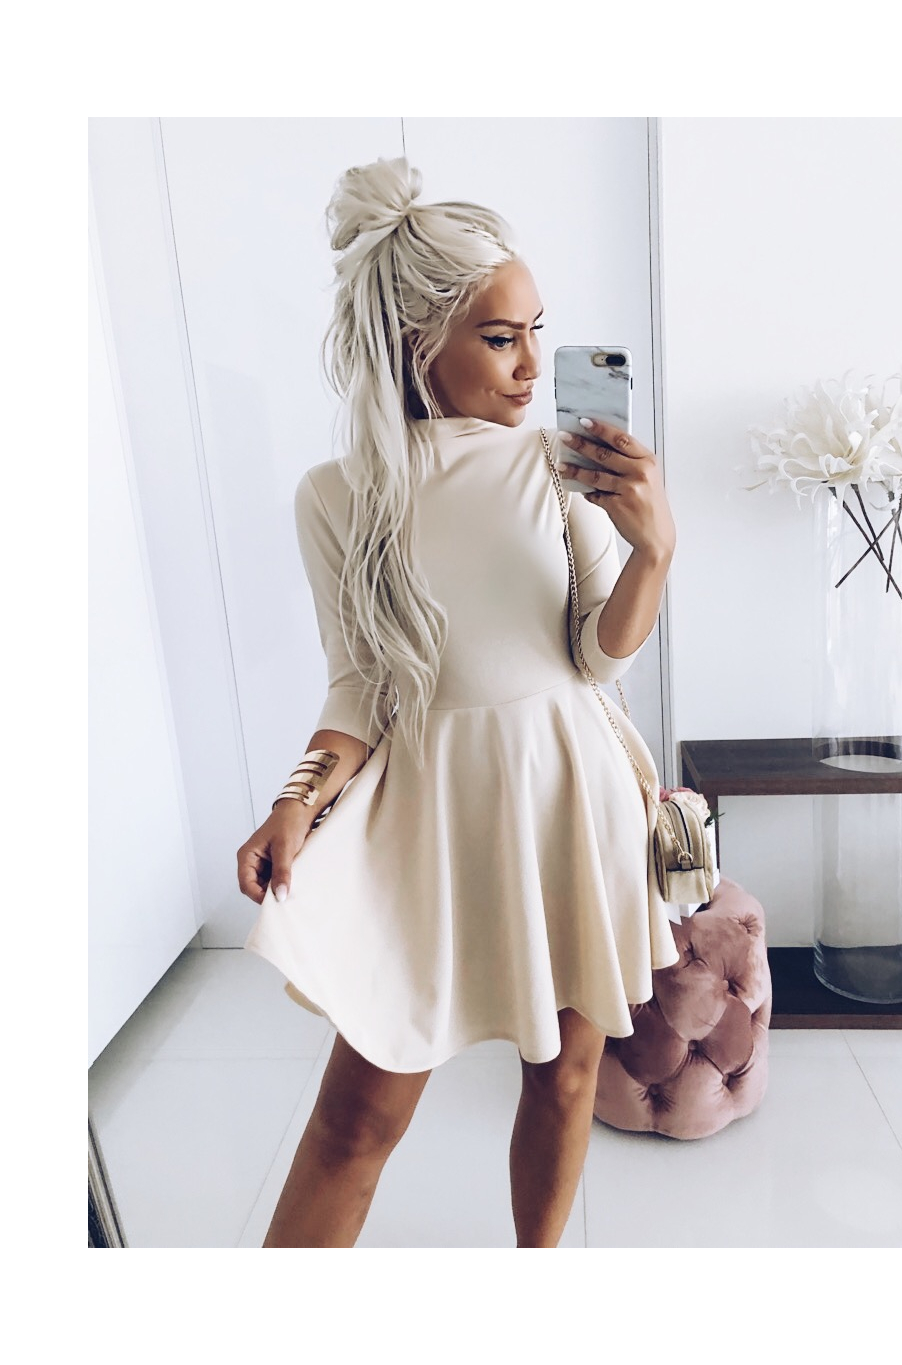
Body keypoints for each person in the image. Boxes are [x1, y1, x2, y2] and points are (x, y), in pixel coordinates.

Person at [236, 155, 678, 1248]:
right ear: (415, 341)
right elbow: (359, 681)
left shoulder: (560, 469)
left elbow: (597, 657)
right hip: (429, 814)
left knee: (565, 1077)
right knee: (357, 1120)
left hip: (568, 795)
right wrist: (296, 799)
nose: (530, 367)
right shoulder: (336, 496)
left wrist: (653, 551)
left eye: (537, 334)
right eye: (499, 337)